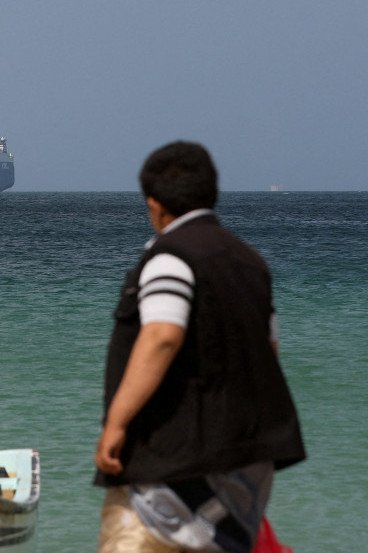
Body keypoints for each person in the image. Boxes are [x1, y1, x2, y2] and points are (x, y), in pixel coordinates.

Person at [93, 141, 305, 553]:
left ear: (154, 204)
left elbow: (162, 336)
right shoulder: (251, 263)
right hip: (244, 469)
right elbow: (269, 351)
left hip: (173, 468)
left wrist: (116, 424)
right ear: (211, 194)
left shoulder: (169, 259)